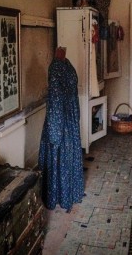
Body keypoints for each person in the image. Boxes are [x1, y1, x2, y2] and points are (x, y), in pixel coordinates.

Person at [38, 47, 84, 210]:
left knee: (62, 154)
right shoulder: (62, 67)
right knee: (65, 154)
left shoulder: (62, 66)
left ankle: (62, 195)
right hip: (65, 118)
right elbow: (58, 98)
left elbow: (58, 99)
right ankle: (67, 194)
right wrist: (56, 130)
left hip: (63, 119)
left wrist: (55, 132)